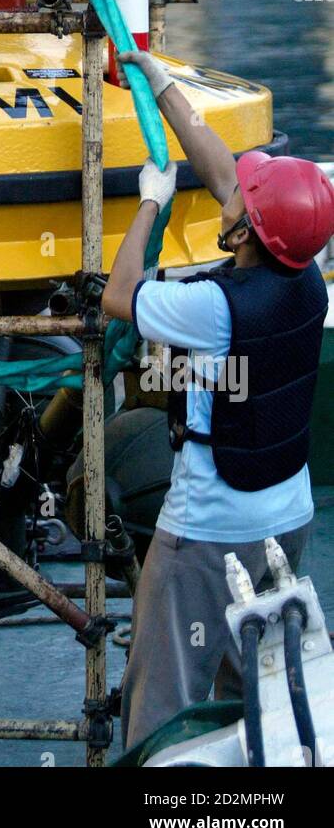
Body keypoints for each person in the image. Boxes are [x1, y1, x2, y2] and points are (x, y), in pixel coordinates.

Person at [103, 49, 334, 750]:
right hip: (285, 518)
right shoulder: (305, 271)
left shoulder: (211, 307)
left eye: (242, 197)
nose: (231, 189)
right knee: (254, 687)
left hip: (207, 528)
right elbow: (221, 168)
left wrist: (148, 199)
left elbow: (120, 295)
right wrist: (162, 85)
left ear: (246, 231)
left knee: (161, 701)